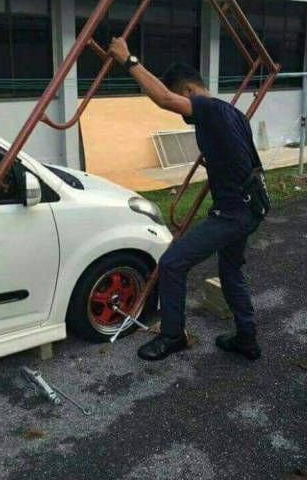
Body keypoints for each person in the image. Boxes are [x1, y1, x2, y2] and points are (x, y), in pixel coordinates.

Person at [108, 37, 268, 362]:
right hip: (251, 206)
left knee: (172, 263)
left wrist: (128, 59)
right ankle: (247, 338)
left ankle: (172, 336)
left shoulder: (207, 107)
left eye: (182, 101)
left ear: (189, 91)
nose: (183, 113)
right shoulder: (233, 114)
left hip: (234, 212)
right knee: (230, 272)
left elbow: (164, 98)